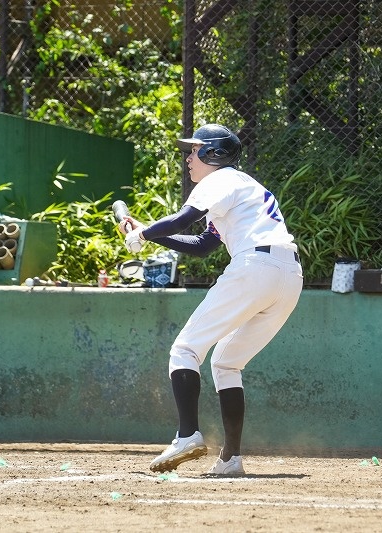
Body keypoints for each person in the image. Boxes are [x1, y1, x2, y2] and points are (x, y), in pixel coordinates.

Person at [118, 124, 303, 475]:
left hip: (256, 266)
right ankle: (230, 459)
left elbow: (184, 219)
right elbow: (203, 245)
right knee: (227, 363)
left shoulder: (218, 179)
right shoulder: (243, 185)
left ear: (213, 154)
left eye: (194, 150)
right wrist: (149, 234)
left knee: (184, 349)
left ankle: (187, 435)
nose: (189, 158)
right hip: (289, 276)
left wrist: (142, 234)